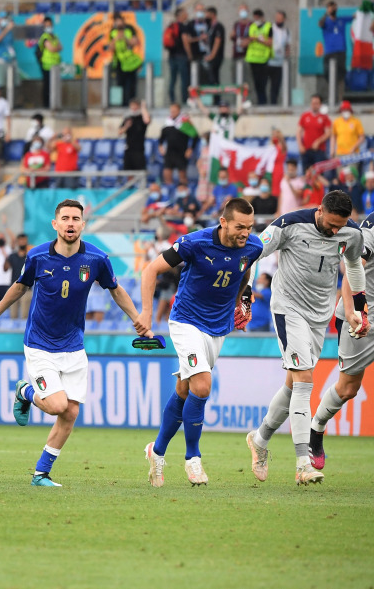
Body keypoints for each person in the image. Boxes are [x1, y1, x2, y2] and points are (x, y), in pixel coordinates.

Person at [0, 200, 145, 487]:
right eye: (65, 218)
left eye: (76, 219)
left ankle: (41, 473)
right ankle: (26, 392)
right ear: (55, 224)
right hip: (40, 344)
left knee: (70, 412)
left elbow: (116, 290)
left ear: (83, 224)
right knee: (57, 405)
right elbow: (20, 287)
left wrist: (137, 317)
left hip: (73, 346)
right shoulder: (38, 257)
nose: (71, 223)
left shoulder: (96, 259)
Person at [139, 198, 263, 487]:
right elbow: (150, 270)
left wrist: (242, 299)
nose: (245, 233)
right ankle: (192, 459)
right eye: (239, 227)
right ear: (223, 222)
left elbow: (244, 271)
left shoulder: (253, 247)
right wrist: (146, 312)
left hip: (218, 328)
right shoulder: (194, 243)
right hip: (186, 322)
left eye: (249, 227)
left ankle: (156, 452)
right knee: (202, 386)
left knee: (184, 390)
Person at [246, 191, 368, 486]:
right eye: (331, 225)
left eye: (341, 226)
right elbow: (251, 253)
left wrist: (358, 308)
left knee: (293, 384)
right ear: (319, 210)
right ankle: (303, 463)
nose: (335, 231)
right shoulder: (287, 225)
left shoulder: (351, 233)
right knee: (304, 380)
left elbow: (353, 265)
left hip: (319, 315)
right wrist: (246, 292)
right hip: (288, 308)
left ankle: (259, 439)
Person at [310, 206, 374, 471]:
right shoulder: (371, 228)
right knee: (348, 388)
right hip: (364, 310)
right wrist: (352, 311)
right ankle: (316, 430)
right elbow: (353, 265)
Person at [319, 1, 351, 98]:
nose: (333, 9)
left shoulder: (341, 20)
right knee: (328, 74)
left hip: (341, 52)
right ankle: (331, 98)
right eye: (331, 8)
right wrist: (326, 13)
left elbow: (355, 16)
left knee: (340, 75)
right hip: (329, 53)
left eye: (334, 7)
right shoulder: (325, 21)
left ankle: (340, 99)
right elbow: (320, 24)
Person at [159, 104, 196, 185]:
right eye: (171, 111)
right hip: (169, 153)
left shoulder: (185, 123)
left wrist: (191, 149)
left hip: (181, 153)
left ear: (179, 111)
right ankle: (169, 194)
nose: (172, 112)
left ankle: (183, 193)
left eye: (174, 111)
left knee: (182, 177)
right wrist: (160, 145)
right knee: (167, 175)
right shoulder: (168, 123)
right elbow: (162, 137)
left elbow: (195, 136)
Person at [112, 14, 144, 107]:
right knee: (119, 85)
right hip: (119, 63)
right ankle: (120, 105)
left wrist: (124, 38)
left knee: (131, 86)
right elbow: (110, 47)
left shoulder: (130, 29)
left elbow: (134, 43)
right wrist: (115, 39)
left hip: (130, 64)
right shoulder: (113, 32)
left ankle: (131, 105)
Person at [244, 9, 273, 106]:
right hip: (253, 59)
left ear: (262, 17)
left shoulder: (268, 27)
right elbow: (244, 42)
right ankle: (259, 101)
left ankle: (263, 102)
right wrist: (250, 39)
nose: (256, 20)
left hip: (264, 59)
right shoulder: (251, 27)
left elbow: (270, 42)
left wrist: (258, 39)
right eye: (255, 18)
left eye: (257, 18)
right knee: (256, 83)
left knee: (263, 82)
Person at [165, 8, 193, 105]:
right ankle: (184, 100)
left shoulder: (171, 26)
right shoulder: (182, 27)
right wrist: (189, 55)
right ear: (180, 15)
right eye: (185, 13)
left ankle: (172, 100)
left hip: (172, 57)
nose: (187, 15)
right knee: (184, 79)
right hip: (181, 56)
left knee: (173, 79)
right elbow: (185, 41)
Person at [298, 94, 331, 172]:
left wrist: (318, 141)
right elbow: (298, 132)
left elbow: (328, 133)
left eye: (316, 103)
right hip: (306, 149)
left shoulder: (324, 117)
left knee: (318, 173)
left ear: (320, 105)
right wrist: (300, 145)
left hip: (319, 150)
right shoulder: (305, 116)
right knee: (306, 172)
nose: (314, 105)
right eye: (313, 103)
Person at [200, 7, 226, 99]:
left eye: (207, 14)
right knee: (212, 79)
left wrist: (212, 56)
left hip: (216, 57)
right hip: (211, 56)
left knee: (214, 79)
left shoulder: (218, 26)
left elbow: (217, 41)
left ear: (213, 15)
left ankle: (217, 99)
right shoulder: (210, 27)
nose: (205, 16)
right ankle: (214, 99)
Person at [37, 16, 62, 106]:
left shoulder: (55, 36)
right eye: (46, 26)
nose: (49, 27)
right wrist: (56, 48)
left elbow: (60, 47)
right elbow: (51, 48)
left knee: (55, 85)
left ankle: (54, 103)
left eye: (50, 25)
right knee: (48, 85)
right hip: (47, 65)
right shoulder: (44, 37)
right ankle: (47, 104)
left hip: (55, 65)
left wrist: (56, 48)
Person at [119, 98, 150, 171]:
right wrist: (126, 126)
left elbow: (147, 121)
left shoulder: (141, 118)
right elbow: (119, 132)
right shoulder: (128, 118)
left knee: (140, 170)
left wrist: (143, 108)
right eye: (132, 106)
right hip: (129, 149)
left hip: (139, 149)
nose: (134, 108)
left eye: (135, 106)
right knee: (128, 171)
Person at [268, 10, 291, 105]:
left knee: (276, 85)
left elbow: (287, 45)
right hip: (269, 61)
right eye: (277, 18)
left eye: (280, 18)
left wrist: (287, 55)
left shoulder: (286, 31)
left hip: (280, 63)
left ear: (284, 19)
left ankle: (274, 103)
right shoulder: (270, 28)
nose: (278, 20)